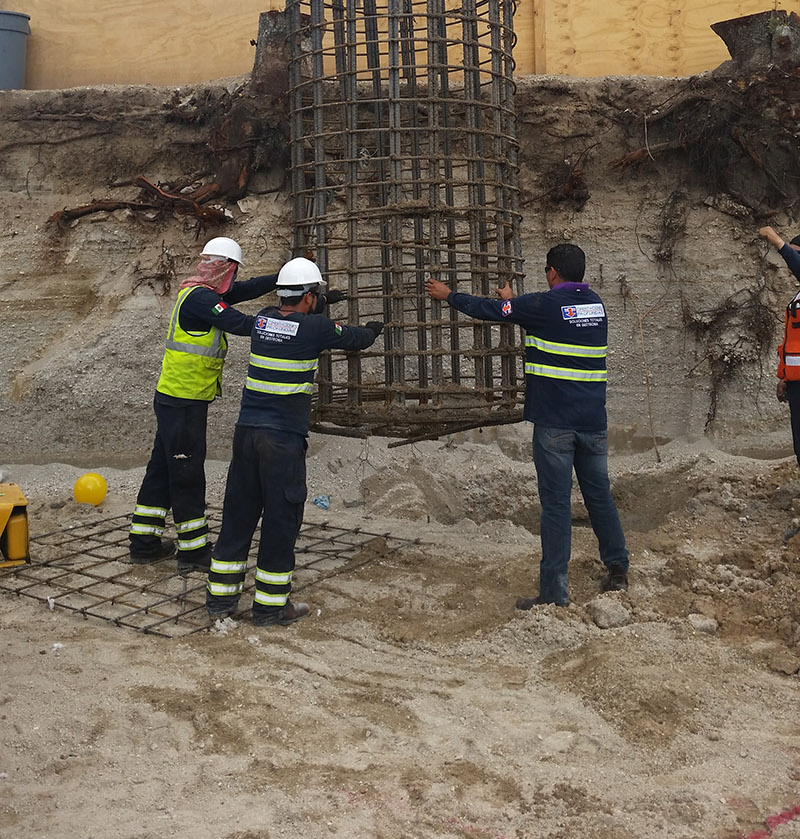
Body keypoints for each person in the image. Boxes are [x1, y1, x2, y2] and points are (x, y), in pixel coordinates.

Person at [426, 242, 629, 609]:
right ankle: (618, 570)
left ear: (552, 272)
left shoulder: (544, 305)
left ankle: (554, 593)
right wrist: (514, 303)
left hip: (555, 424)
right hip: (592, 422)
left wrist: (448, 294)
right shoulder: (595, 306)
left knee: (556, 506)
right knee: (599, 496)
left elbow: (489, 310)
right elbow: (547, 318)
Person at [206, 257, 383, 627]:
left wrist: (319, 301)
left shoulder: (263, 321)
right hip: (282, 440)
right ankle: (270, 607)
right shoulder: (317, 328)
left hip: (246, 434)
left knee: (238, 515)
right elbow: (355, 339)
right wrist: (373, 329)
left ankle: (220, 601)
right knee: (280, 520)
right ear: (309, 298)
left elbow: (286, 318)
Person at [129, 238, 283, 572]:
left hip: (175, 398)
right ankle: (193, 550)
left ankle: (144, 544)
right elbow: (239, 323)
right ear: (227, 269)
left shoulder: (198, 292)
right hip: (184, 401)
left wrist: (280, 278)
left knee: (162, 470)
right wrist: (284, 323)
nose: (234, 279)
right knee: (186, 473)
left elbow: (243, 290)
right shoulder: (202, 299)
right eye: (234, 272)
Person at [759, 225, 800, 468]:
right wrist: (785, 376)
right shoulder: (797, 297)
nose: (790, 263)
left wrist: (777, 242)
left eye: (796, 254)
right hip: (796, 383)